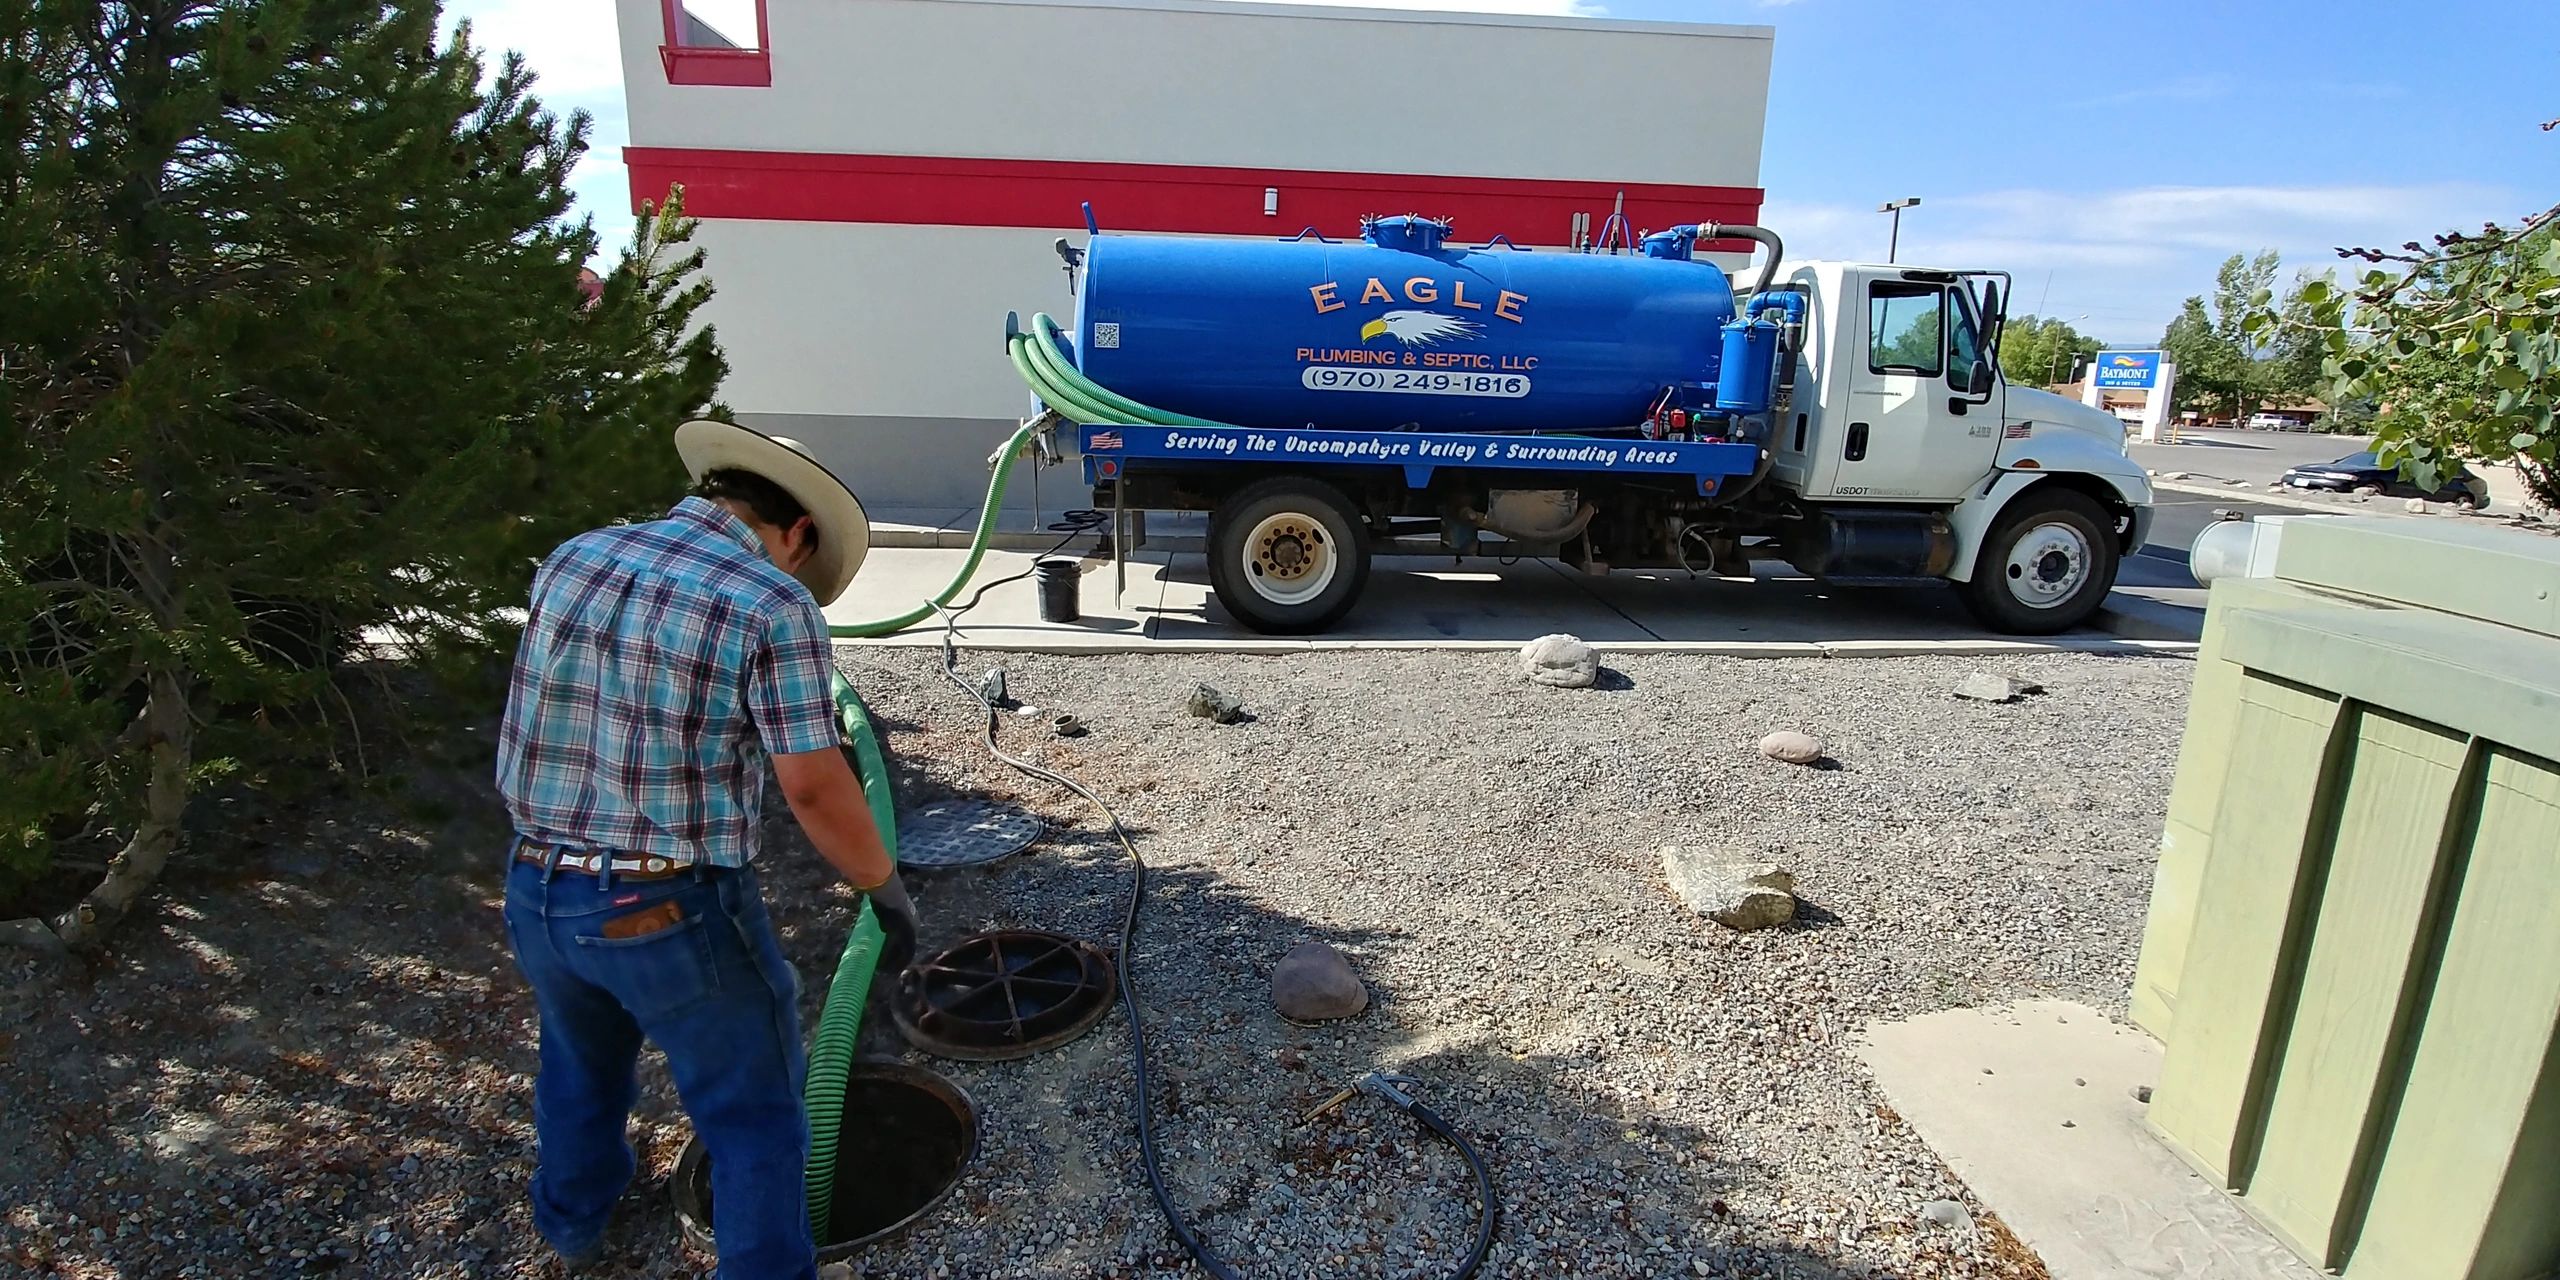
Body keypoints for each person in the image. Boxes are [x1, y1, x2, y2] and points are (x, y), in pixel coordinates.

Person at [496, 420, 912, 1278]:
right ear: (797, 532)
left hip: (539, 887)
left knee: (578, 1063)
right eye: (807, 558)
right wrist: (883, 887)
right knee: (753, 1113)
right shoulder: (768, 600)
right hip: (668, 906)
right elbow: (814, 785)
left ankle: (573, 1227)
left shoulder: (575, 556)